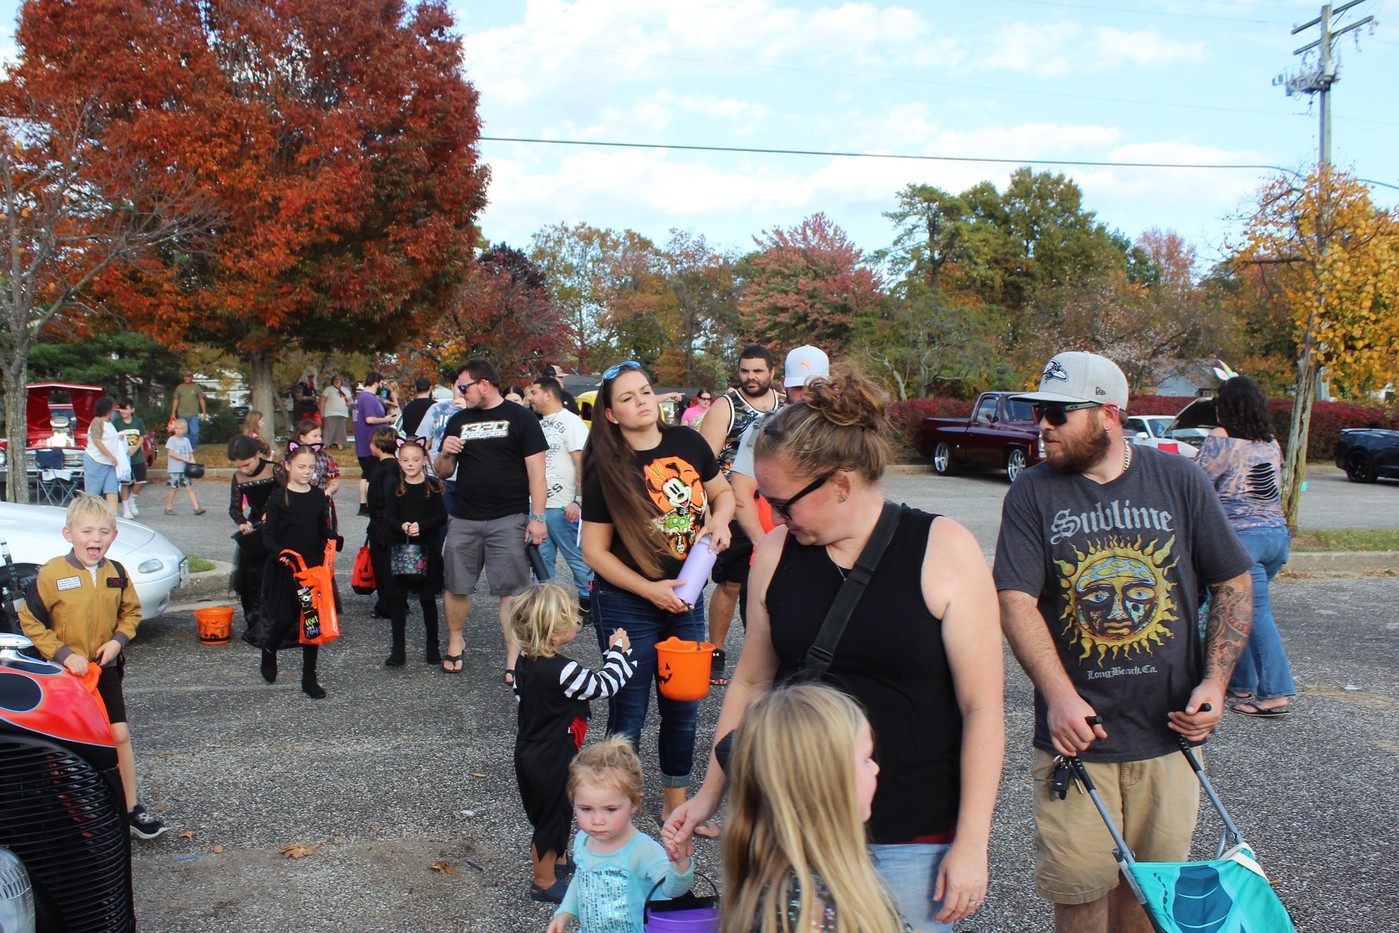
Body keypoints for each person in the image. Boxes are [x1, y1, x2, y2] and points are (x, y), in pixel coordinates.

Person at [666, 362, 1003, 931]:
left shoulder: (944, 549)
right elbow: (753, 682)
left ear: (841, 483)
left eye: (784, 501)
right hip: (793, 832)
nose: (773, 514)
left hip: (912, 836)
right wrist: (709, 795)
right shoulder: (774, 553)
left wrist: (972, 843)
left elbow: (983, 707)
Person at [993, 351, 1255, 933]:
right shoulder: (1032, 493)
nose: (1043, 426)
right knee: (1080, 897)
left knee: (1149, 899)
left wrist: (1214, 683)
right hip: (1077, 744)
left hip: (1169, 741)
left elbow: (1233, 582)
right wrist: (1058, 695)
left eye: (1059, 413)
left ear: (1108, 414)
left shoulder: (1179, 480)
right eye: (1041, 413)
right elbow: (1016, 599)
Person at [580, 360, 734, 834]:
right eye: (627, 398)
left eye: (645, 391)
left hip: (684, 597)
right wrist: (649, 590)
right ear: (610, 414)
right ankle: (612, 811)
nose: (641, 401)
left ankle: (675, 807)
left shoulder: (688, 443)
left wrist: (720, 520)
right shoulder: (606, 467)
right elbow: (594, 551)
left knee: (683, 705)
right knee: (628, 707)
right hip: (628, 601)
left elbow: (722, 493)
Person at [18, 494, 169, 840]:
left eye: (104, 531)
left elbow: (131, 613)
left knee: (118, 735)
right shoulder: (52, 574)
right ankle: (69, 813)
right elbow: (30, 621)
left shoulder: (117, 574)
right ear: (68, 534)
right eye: (87, 531)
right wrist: (61, 654)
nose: (95, 539)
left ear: (114, 536)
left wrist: (118, 640)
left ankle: (131, 809)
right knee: (68, 742)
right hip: (65, 676)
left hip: (105, 670)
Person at [722, 684, 909, 933]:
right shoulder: (816, 910)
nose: (875, 768)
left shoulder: (778, 881)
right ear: (827, 783)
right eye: (866, 759)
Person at [510, 583, 637, 903]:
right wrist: (618, 653)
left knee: (557, 808)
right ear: (554, 633)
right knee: (551, 816)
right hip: (552, 752)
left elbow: (520, 695)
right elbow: (603, 685)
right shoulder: (563, 669)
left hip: (529, 748)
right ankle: (543, 881)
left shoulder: (524, 663)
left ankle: (560, 860)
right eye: (570, 620)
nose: (577, 624)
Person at [432, 360, 549, 678]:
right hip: (464, 518)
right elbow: (443, 473)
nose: (460, 393)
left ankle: (514, 656)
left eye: (463, 386)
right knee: (456, 586)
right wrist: (445, 453)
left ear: (484, 383)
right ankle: (456, 641)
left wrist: (538, 518)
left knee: (511, 591)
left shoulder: (521, 418)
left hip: (508, 518)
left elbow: (537, 473)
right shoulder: (458, 420)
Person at [1193, 375, 1296, 717]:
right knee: (1246, 610)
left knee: (1256, 613)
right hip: (1276, 538)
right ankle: (1241, 683)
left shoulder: (1221, 439)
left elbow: (1198, 483)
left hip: (1241, 540)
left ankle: (1275, 694)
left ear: (1226, 405)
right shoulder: (1270, 442)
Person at [724, 345, 831, 634]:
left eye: (815, 386)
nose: (806, 395)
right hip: (774, 549)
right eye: (798, 387)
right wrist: (762, 545)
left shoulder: (845, 431)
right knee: (767, 638)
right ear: (784, 384)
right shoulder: (763, 429)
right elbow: (741, 491)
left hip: (829, 554)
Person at [547, 735, 694, 933]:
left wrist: (681, 862)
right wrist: (565, 913)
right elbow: (581, 881)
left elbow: (673, 890)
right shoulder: (583, 840)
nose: (597, 820)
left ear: (634, 803)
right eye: (586, 808)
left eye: (610, 809)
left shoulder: (642, 850)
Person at [697, 345, 782, 686]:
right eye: (745, 370)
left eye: (758, 371)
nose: (751, 377)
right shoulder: (726, 407)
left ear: (772, 373)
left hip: (773, 502)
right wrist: (711, 511)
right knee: (731, 583)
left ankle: (766, 654)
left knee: (771, 579)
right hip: (734, 502)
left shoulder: (784, 405)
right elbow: (702, 463)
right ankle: (715, 650)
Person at [252, 442, 336, 699]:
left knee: (312, 622)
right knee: (285, 619)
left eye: (311, 467)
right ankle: (269, 649)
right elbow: (269, 535)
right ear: (287, 466)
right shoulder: (279, 498)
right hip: (286, 568)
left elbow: (321, 528)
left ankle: (309, 678)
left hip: (311, 570)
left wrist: (333, 537)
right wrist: (279, 554)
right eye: (301, 467)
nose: (307, 471)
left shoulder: (317, 496)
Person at [529, 375, 594, 615]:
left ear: (548, 393)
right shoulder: (535, 423)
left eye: (534, 392)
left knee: (577, 559)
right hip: (538, 507)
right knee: (540, 562)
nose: (530, 397)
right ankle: (548, 609)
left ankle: (589, 603)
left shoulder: (571, 422)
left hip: (563, 506)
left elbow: (583, 464)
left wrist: (577, 500)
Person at [380, 438, 448, 667]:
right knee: (398, 599)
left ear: (423, 460)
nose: (411, 464)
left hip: (427, 550)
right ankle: (398, 649)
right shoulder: (394, 486)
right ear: (399, 461)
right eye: (406, 460)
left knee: (428, 599)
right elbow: (388, 516)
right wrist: (402, 526)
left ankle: (433, 645)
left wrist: (423, 525)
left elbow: (441, 516)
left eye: (415, 460)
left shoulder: (433, 485)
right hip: (401, 547)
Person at [227, 435, 279, 639]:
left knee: (275, 576)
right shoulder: (238, 477)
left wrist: (273, 512)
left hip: (277, 528)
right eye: (238, 466)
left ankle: (278, 621)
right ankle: (256, 622)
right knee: (253, 579)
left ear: (257, 454)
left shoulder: (275, 469)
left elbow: (286, 495)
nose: (243, 470)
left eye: (246, 465)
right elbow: (234, 507)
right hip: (254, 528)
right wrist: (241, 521)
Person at [365, 427, 401, 621]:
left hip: (383, 525)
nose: (370, 446)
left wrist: (384, 522)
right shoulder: (390, 466)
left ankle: (387, 605)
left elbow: (389, 498)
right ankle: (393, 603)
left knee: (384, 568)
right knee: (389, 567)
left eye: (372, 442)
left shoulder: (387, 468)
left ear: (379, 445)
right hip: (384, 523)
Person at [355, 372, 397, 516]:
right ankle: (372, 505)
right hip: (370, 443)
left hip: (365, 443)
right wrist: (386, 419)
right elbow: (370, 419)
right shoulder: (367, 398)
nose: (381, 387)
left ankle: (364, 506)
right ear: (376, 382)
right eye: (381, 384)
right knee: (372, 476)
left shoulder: (361, 397)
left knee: (366, 475)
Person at [291, 420, 340, 518]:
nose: (319, 439)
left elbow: (334, 481)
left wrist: (327, 492)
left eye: (320, 436)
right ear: (302, 437)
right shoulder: (291, 457)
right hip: (295, 503)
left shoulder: (325, 458)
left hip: (320, 503)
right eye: (315, 436)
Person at [83, 397, 124, 509]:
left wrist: (118, 438)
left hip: (109, 463)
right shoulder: (97, 421)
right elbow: (97, 441)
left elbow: (109, 438)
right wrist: (110, 456)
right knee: (92, 493)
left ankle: (113, 515)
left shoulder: (109, 423)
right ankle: (89, 514)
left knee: (112, 489)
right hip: (96, 460)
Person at [163, 419, 205, 516]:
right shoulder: (172, 440)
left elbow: (190, 453)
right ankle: (168, 507)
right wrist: (184, 459)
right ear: (174, 429)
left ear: (185, 429)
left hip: (185, 469)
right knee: (174, 488)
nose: (179, 430)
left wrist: (193, 463)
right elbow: (171, 453)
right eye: (177, 428)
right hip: (174, 469)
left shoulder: (186, 440)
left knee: (189, 487)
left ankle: (196, 508)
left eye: (181, 428)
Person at [113, 400, 146, 519]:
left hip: (137, 456)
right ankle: (126, 509)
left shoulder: (138, 422)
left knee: (141, 481)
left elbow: (141, 437)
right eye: (121, 409)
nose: (123, 412)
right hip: (124, 458)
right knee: (125, 483)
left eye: (126, 409)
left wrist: (135, 448)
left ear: (132, 410)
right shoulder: (116, 423)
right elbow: (113, 438)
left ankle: (132, 500)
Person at [169, 372, 206, 448]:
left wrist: (204, 411)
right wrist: (173, 412)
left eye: (188, 377)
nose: (186, 378)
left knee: (195, 432)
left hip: (193, 414)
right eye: (185, 376)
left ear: (192, 378)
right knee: (183, 433)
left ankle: (192, 447)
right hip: (182, 414)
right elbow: (176, 400)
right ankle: (184, 448)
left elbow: (201, 399)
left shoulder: (196, 387)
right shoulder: (180, 387)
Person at [319, 374, 352, 449]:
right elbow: (322, 401)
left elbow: (350, 400)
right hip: (330, 413)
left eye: (339, 379)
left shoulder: (345, 390)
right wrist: (322, 412)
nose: (337, 381)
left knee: (340, 430)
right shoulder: (328, 389)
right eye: (335, 379)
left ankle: (339, 444)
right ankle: (325, 444)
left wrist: (349, 403)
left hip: (342, 413)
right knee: (328, 430)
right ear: (332, 381)